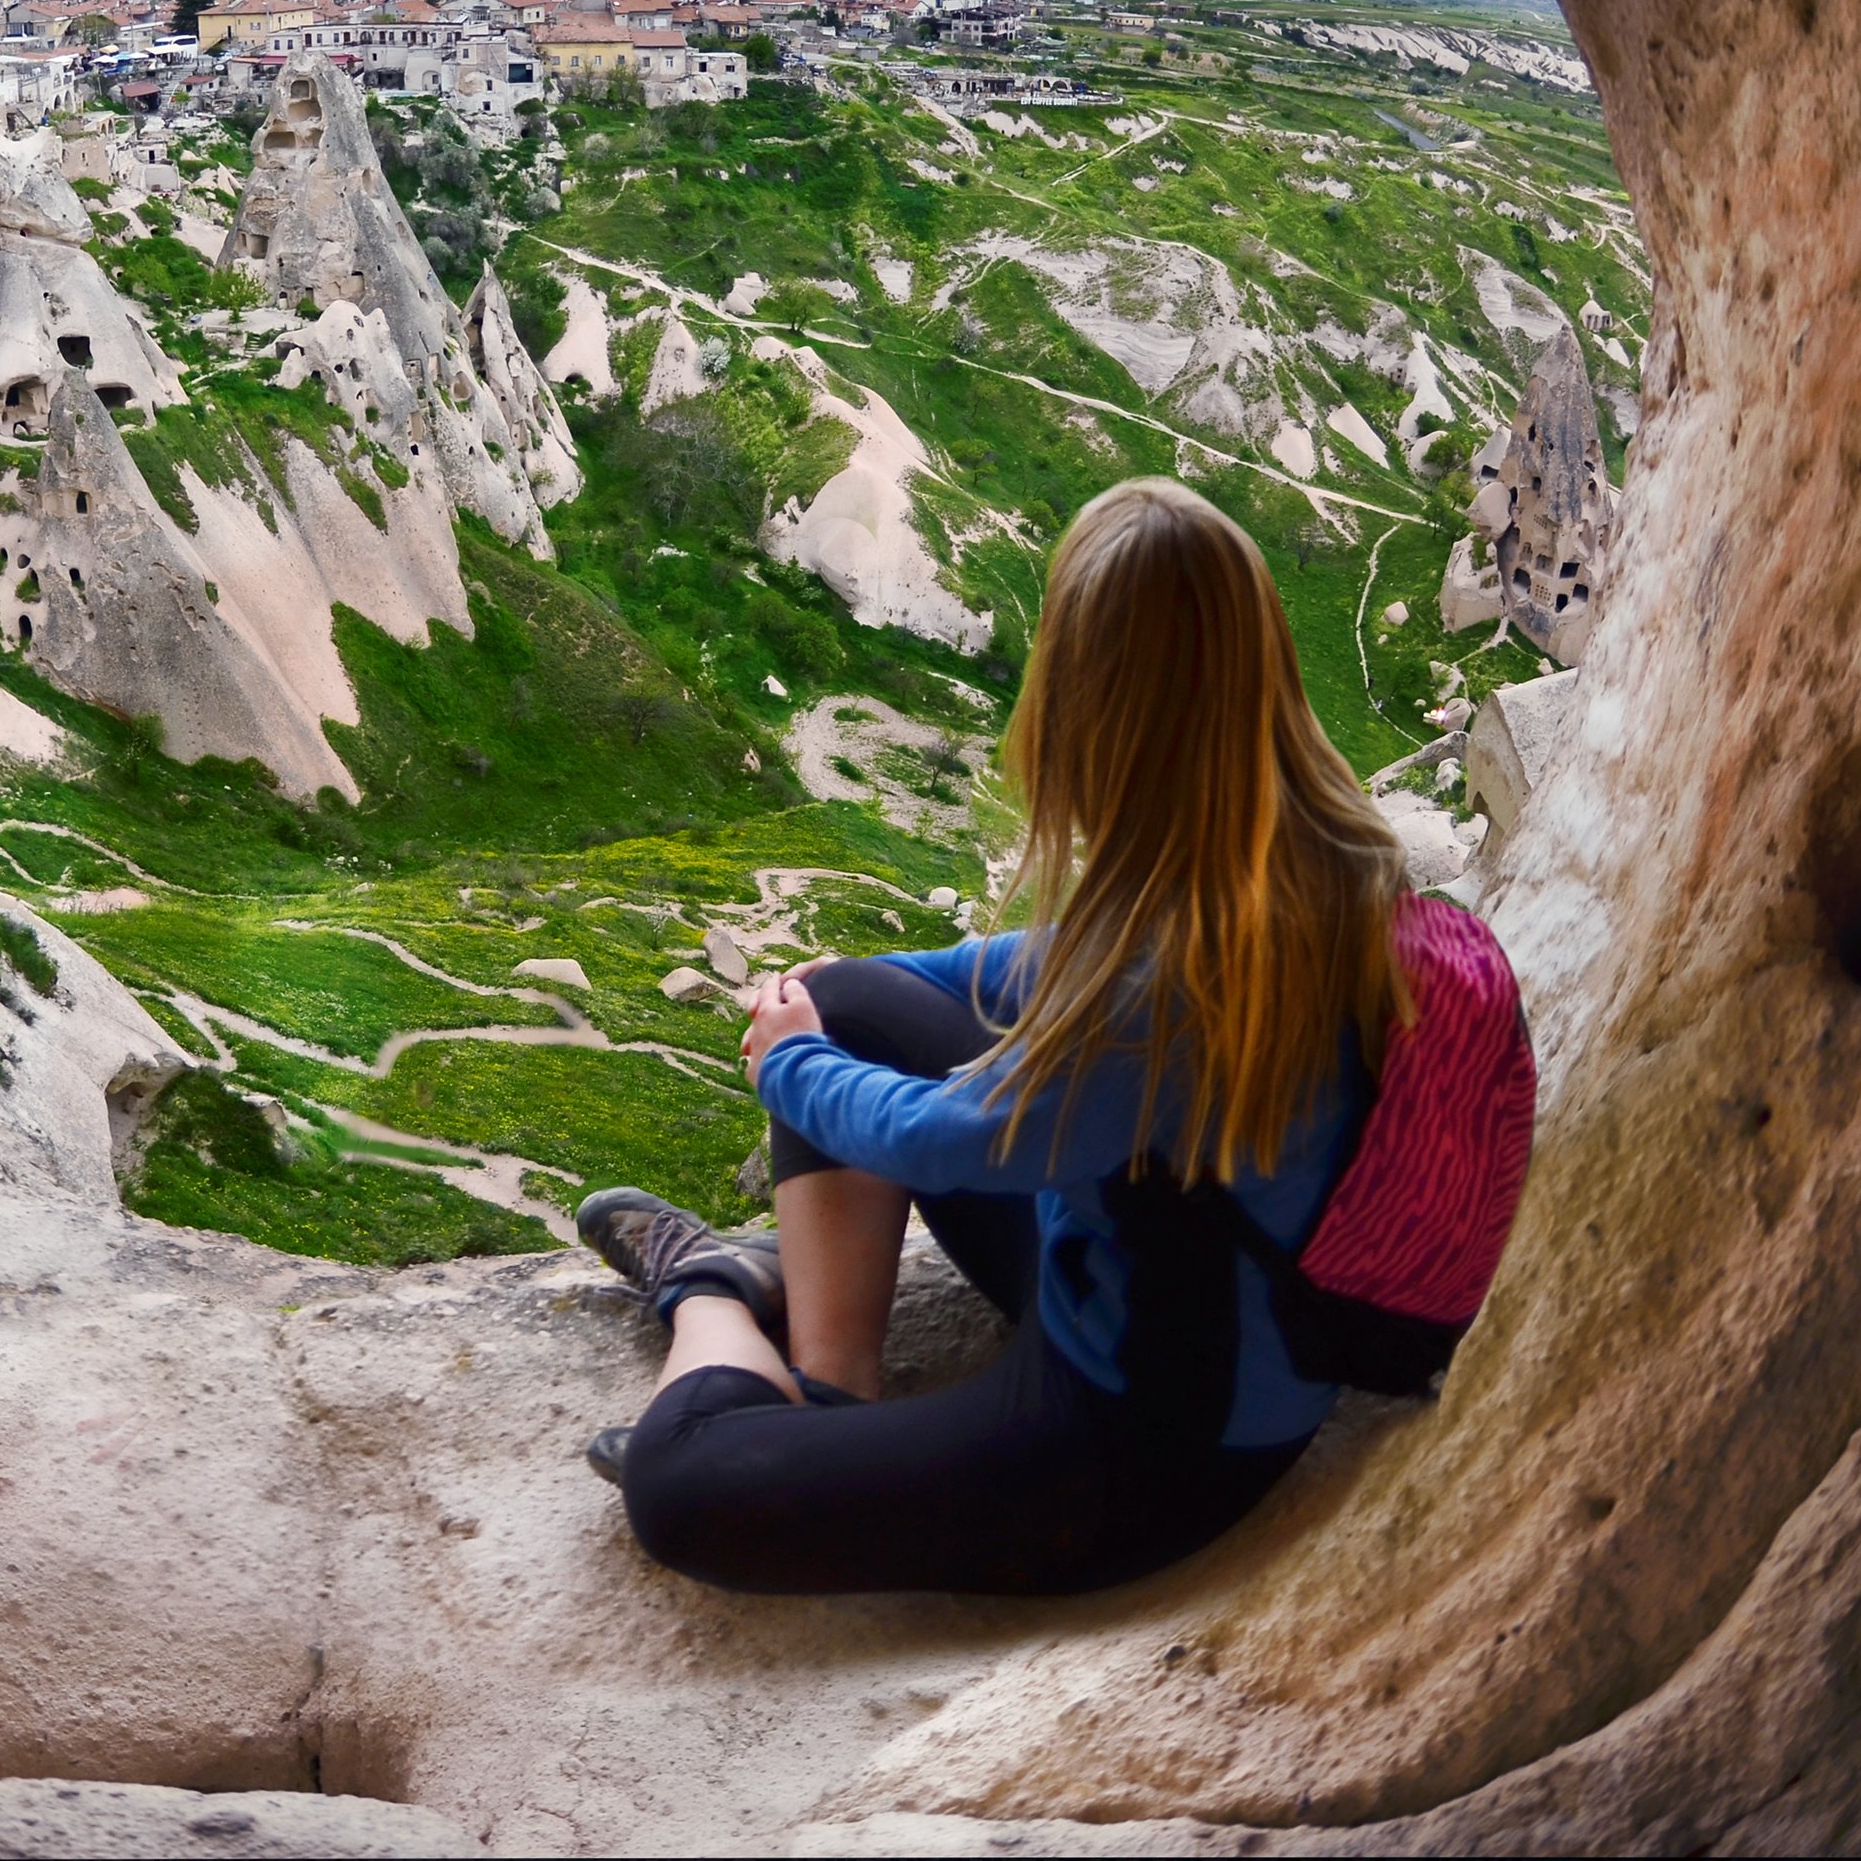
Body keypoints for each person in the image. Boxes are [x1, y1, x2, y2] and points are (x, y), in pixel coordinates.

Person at [573, 476, 1480, 1597]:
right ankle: (831, 1387)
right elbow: (1040, 965)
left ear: (1089, 706)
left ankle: (708, 1292)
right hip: (1169, 1294)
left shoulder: (1164, 989)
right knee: (851, 999)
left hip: (1136, 1446)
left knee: (680, 1488)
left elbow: (958, 1138)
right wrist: (855, 992)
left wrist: (792, 1062)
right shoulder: (1324, 859)